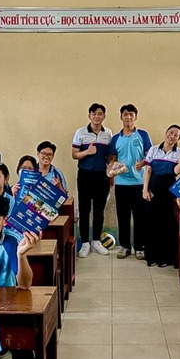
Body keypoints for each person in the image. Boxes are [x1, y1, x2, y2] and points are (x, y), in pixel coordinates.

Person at [142, 125, 180, 267]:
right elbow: (148, 170)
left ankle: (165, 258)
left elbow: (177, 171)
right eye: (171, 133)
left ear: (178, 138)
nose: (172, 136)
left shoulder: (179, 152)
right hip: (153, 189)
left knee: (167, 224)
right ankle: (151, 256)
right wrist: (145, 189)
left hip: (169, 191)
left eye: (176, 135)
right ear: (166, 133)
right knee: (151, 223)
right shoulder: (154, 149)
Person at [108, 104, 152, 259]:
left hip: (140, 183)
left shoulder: (143, 135)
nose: (128, 117)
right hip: (121, 184)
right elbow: (112, 158)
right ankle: (125, 246)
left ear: (136, 117)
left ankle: (139, 247)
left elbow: (150, 156)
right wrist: (114, 167)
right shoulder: (115, 138)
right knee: (123, 217)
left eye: (131, 115)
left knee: (140, 217)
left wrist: (143, 162)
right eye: (125, 114)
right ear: (121, 117)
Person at [72, 103, 113, 258]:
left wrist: (112, 168)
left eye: (100, 113)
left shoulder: (108, 133)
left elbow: (109, 156)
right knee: (84, 210)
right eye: (94, 113)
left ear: (104, 116)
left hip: (102, 176)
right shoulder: (80, 132)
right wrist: (87, 152)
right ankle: (85, 243)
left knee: (99, 210)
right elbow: (74, 154)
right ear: (89, 115)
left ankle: (96, 240)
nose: (97, 116)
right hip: (85, 175)